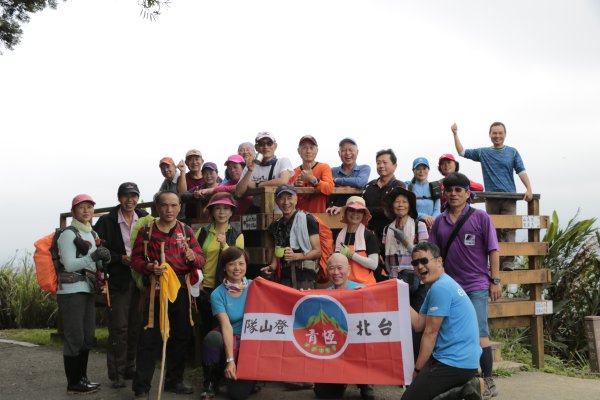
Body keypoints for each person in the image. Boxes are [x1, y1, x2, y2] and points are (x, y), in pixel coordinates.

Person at [429, 172, 500, 399]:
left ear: (468, 193)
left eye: (458, 190)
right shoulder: (440, 220)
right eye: (449, 190)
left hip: (476, 284)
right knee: (447, 333)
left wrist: (495, 281)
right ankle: (459, 381)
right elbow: (433, 253)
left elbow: (493, 250)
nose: (453, 194)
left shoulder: (480, 217)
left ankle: (487, 380)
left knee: (480, 333)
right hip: (449, 287)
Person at [130, 191, 205, 397]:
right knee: (149, 338)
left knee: (180, 336)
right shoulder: (146, 232)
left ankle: (174, 381)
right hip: (155, 291)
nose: (169, 210)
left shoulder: (187, 231)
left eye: (174, 205)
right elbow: (135, 261)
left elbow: (201, 259)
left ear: (179, 207)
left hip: (181, 290)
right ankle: (141, 387)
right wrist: (148, 267)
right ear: (157, 207)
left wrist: (193, 257)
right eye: (165, 205)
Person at [401, 242, 483, 400]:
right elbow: (418, 324)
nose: (419, 266)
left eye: (424, 261)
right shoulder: (439, 286)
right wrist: (399, 296)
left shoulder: (441, 288)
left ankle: (462, 391)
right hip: (462, 361)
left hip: (455, 363)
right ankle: (464, 389)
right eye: (415, 263)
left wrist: (417, 371)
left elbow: (430, 333)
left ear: (439, 261)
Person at [452, 121, 533, 271]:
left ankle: (508, 262)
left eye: (500, 133)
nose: (497, 136)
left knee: (509, 229)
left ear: (505, 134)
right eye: (494, 133)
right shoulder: (484, 153)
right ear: (490, 135)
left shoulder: (513, 152)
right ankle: (496, 263)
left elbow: (521, 171)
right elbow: (462, 152)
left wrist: (528, 188)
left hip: (509, 197)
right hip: (491, 198)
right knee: (492, 230)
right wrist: (455, 134)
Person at [94, 182, 148, 388]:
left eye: (134, 196)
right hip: (118, 279)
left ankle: (129, 368)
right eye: (126, 196)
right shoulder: (107, 221)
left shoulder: (144, 218)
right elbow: (99, 250)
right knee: (119, 327)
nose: (130, 200)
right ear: (119, 198)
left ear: (138, 198)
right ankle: (116, 374)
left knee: (136, 326)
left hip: (140, 277)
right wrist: (119, 258)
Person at [57, 194, 111, 394]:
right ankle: (74, 382)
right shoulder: (68, 234)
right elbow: (70, 264)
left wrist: (102, 259)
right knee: (75, 337)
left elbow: (92, 262)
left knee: (88, 336)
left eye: (89, 207)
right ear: (74, 211)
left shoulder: (91, 234)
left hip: (88, 288)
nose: (86, 211)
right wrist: (94, 255)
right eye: (82, 207)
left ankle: (83, 378)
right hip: (71, 290)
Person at [313, 254, 374, 400]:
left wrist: (366, 297)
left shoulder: (361, 290)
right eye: (331, 268)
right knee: (323, 394)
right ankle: (341, 380)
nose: (336, 272)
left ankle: (366, 382)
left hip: (357, 346)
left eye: (340, 268)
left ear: (348, 269)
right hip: (335, 348)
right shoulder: (326, 294)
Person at [201, 246, 256, 400]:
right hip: (229, 338)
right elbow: (226, 326)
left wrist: (303, 294)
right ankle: (211, 382)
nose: (237, 268)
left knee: (238, 395)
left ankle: (253, 378)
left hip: (249, 342)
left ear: (246, 265)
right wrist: (230, 360)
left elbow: (278, 296)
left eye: (241, 263)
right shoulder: (217, 294)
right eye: (232, 264)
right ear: (224, 267)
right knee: (212, 338)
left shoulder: (255, 286)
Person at [195, 192, 244, 337]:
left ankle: (226, 358)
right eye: (217, 208)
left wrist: (224, 244)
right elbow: (196, 258)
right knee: (205, 326)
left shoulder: (237, 234)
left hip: (226, 289)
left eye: (226, 208)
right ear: (211, 211)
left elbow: (237, 262)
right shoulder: (202, 232)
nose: (222, 212)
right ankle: (206, 359)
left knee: (223, 327)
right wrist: (198, 280)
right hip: (204, 288)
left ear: (231, 212)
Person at [261, 184, 322, 290]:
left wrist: (296, 256)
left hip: (305, 278)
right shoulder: (276, 225)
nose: (286, 202)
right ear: (276, 201)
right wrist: (272, 267)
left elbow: (317, 251)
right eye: (282, 198)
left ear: (296, 198)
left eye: (290, 198)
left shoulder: (308, 220)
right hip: (284, 278)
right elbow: (278, 249)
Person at [381, 186, 428, 297]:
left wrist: (404, 240)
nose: (401, 205)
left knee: (417, 314)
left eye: (404, 202)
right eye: (397, 202)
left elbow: (422, 255)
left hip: (416, 280)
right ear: (392, 206)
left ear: (410, 206)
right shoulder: (387, 229)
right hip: (394, 279)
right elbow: (386, 255)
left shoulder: (419, 226)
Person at [234, 132, 294, 211]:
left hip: (279, 213)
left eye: (269, 143)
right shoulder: (250, 166)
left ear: (275, 146)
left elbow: (283, 181)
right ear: (257, 147)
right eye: (261, 144)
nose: (266, 147)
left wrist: (257, 185)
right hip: (258, 212)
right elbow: (238, 193)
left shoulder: (283, 161)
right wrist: (249, 171)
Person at [362, 149, 406, 242]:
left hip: (392, 235)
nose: (381, 166)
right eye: (378, 163)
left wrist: (367, 210)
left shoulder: (399, 186)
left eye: (385, 162)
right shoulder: (369, 185)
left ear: (395, 166)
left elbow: (390, 211)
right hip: (369, 235)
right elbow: (361, 207)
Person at [333, 196, 379, 286]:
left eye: (359, 211)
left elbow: (373, 264)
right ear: (346, 212)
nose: (355, 214)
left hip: (366, 287)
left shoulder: (369, 236)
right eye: (351, 210)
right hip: (345, 286)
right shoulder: (340, 235)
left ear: (363, 215)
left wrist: (352, 255)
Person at [290, 135, 334, 213]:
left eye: (311, 147)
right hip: (299, 218)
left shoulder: (324, 167)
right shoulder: (293, 172)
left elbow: (329, 188)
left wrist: (312, 179)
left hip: (319, 219)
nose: (308, 151)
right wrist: (294, 186)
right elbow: (287, 197)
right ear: (298, 151)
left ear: (317, 150)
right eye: (304, 147)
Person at [328, 137, 371, 208]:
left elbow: (360, 182)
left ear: (357, 152)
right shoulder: (332, 171)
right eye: (344, 150)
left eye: (351, 150)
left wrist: (336, 180)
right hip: (334, 213)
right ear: (339, 153)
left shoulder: (364, 168)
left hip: (356, 214)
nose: (347, 153)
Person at [406, 157, 441, 231]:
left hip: (431, 227)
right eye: (418, 169)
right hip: (412, 228)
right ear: (413, 170)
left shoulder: (435, 187)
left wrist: (432, 221)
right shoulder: (408, 187)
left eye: (424, 168)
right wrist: (422, 216)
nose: (421, 171)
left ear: (428, 170)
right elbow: (406, 209)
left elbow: (437, 209)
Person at [178, 149, 205, 221]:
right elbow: (182, 194)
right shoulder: (182, 177)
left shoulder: (210, 176)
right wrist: (182, 172)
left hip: (209, 216)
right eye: (190, 160)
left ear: (202, 161)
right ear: (186, 163)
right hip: (188, 218)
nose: (194, 162)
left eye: (197, 159)